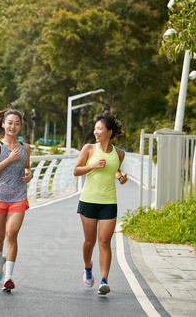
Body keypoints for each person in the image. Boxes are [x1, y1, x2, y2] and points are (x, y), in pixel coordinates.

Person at [73, 112, 127, 295]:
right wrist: (92, 166)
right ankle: (87, 266)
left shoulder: (119, 153)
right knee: (90, 241)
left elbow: (115, 170)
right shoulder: (89, 149)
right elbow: (76, 171)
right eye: (95, 128)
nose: (96, 132)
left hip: (109, 202)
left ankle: (104, 280)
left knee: (105, 241)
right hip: (88, 200)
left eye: (99, 129)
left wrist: (121, 177)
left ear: (109, 132)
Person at [0, 108, 32, 291]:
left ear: (20, 126)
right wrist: (9, 159)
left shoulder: (25, 147)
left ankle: (9, 277)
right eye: (10, 122)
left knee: (11, 235)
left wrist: (28, 175)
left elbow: (27, 168)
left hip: (18, 195)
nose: (13, 126)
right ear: (3, 124)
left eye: (17, 123)